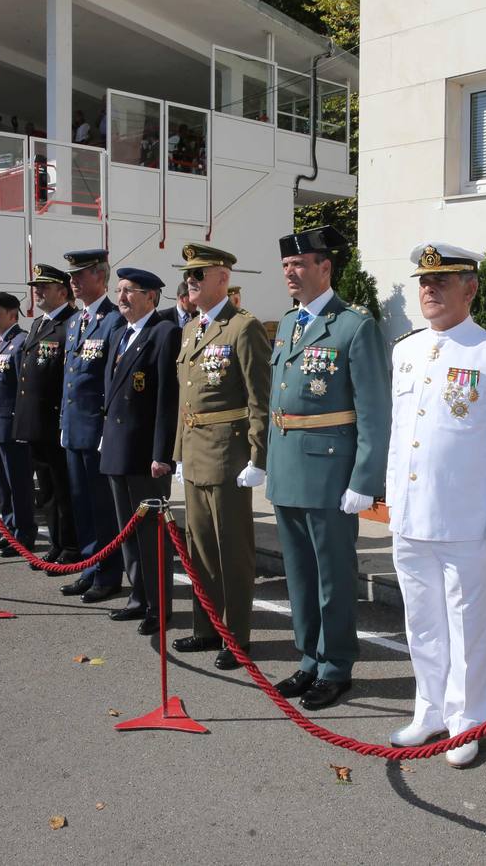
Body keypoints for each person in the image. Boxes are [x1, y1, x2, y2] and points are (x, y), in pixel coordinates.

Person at [385, 242, 486, 768]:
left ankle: (468, 720)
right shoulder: (405, 350)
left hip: (467, 518)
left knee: (467, 624)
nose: (429, 290)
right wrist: (392, 500)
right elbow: (401, 435)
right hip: (410, 516)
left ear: (469, 289)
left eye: (441, 282)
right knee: (421, 619)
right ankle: (429, 708)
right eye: (423, 282)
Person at [266, 226, 391, 710]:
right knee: (298, 573)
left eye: (299, 265)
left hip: (330, 473)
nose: (290, 273)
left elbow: (375, 412)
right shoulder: (287, 324)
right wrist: (266, 464)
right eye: (285, 266)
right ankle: (309, 659)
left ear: (325, 268)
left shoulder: (354, 325)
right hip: (288, 469)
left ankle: (336, 665)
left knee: (333, 575)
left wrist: (365, 480)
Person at [170, 243, 271, 670]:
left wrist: (258, 456)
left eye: (200, 274)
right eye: (189, 275)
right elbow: (185, 401)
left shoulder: (241, 327)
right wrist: (177, 453)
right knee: (199, 550)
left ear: (223, 279)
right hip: (194, 454)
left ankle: (238, 637)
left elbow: (258, 398)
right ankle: (206, 628)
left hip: (229, 455)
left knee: (232, 552)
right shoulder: (191, 328)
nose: (191, 281)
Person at [99, 267, 180, 634]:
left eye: (130, 290)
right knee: (127, 532)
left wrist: (163, 453)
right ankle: (138, 597)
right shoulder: (119, 334)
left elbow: (167, 398)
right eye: (119, 290)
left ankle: (158, 607)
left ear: (151, 296)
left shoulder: (164, 333)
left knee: (151, 534)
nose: (122, 297)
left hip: (146, 454)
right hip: (117, 448)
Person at [59, 249, 125, 599]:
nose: (74, 281)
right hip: (73, 428)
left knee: (102, 509)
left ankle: (108, 573)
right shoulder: (75, 322)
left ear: (100, 276)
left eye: (81, 274)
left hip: (97, 431)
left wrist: (106, 430)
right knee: (80, 503)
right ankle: (89, 565)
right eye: (73, 275)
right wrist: (63, 424)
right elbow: (69, 379)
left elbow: (110, 381)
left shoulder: (113, 321)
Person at [14, 264, 80, 565]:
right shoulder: (39, 325)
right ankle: (56, 542)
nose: (37, 291)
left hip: (56, 423)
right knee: (48, 491)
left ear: (63, 292)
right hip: (36, 424)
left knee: (64, 490)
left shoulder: (70, 324)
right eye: (35, 286)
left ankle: (70, 546)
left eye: (44, 286)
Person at [0, 291, 36, 556]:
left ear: (12, 315)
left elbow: (23, 390)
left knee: (19, 485)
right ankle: (8, 531)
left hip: (12, 427)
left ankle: (23, 534)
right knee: (3, 486)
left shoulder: (21, 342)